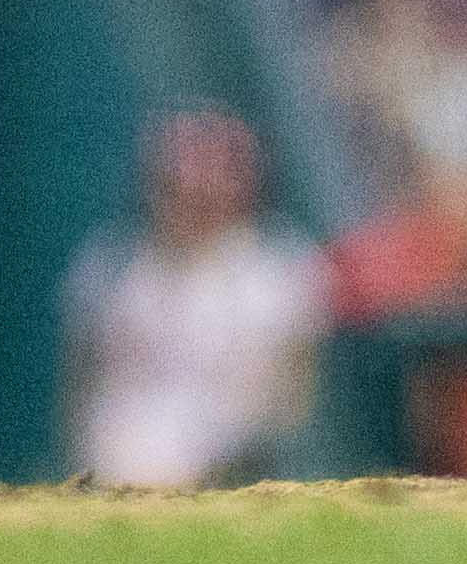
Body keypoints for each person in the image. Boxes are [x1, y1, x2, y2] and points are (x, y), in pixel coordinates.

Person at [62, 105, 336, 491]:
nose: (194, 192)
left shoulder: (280, 272)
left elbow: (290, 404)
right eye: (176, 183)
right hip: (114, 461)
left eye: (212, 178)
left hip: (228, 469)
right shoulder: (108, 267)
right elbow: (80, 388)